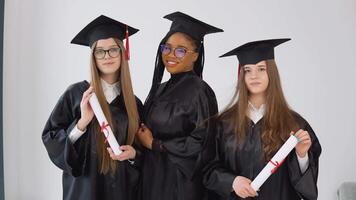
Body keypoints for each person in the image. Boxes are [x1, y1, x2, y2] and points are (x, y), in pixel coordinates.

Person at [203, 38, 322, 200]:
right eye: (248, 70)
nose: (254, 76)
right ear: (241, 75)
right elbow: (207, 168)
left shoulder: (293, 123)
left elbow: (306, 189)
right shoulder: (224, 123)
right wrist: (232, 182)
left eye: (261, 69)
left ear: (271, 73)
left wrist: (302, 155)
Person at [42, 15, 143, 200]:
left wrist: (133, 153)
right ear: (93, 57)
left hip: (121, 191)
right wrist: (81, 124)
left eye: (113, 50)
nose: (107, 56)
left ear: (122, 53)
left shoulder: (133, 104)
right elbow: (51, 138)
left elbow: (143, 152)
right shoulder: (76, 95)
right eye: (100, 51)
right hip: (84, 191)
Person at [136, 11, 223, 200]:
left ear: (195, 56)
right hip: (152, 181)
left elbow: (202, 143)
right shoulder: (159, 89)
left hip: (181, 186)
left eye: (181, 50)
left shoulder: (200, 91)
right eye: (166, 48)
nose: (171, 55)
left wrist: (155, 144)